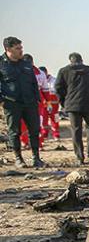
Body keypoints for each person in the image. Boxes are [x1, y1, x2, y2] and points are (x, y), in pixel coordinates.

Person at [0, 36, 45, 168]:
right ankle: (18, 158)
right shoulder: (1, 64)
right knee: (14, 132)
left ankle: (36, 158)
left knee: (34, 130)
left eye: (21, 48)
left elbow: (33, 82)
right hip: (11, 103)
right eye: (17, 48)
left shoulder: (26, 63)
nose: (21, 51)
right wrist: (2, 101)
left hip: (30, 102)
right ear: (8, 49)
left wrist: (37, 99)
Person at [55, 52, 89, 164]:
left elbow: (58, 88)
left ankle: (79, 156)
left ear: (70, 60)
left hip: (72, 105)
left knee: (76, 130)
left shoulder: (64, 71)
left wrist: (64, 102)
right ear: (82, 60)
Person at [19, 54, 48, 150]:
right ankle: (24, 142)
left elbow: (45, 89)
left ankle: (39, 144)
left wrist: (48, 101)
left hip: (37, 102)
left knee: (37, 123)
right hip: (21, 101)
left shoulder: (40, 73)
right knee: (22, 124)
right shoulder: (17, 71)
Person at [39, 66, 60, 141]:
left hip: (54, 104)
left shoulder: (54, 80)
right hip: (44, 104)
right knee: (44, 119)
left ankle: (56, 134)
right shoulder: (39, 79)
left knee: (55, 119)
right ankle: (44, 133)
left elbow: (56, 90)